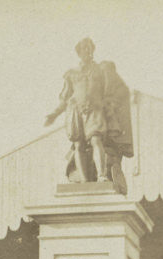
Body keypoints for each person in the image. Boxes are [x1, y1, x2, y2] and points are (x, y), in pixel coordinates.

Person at [44, 37, 133, 193]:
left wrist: (109, 106)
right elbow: (65, 99)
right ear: (79, 52)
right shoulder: (71, 74)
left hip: (95, 109)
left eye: (90, 47)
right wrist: (54, 114)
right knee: (78, 145)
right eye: (84, 48)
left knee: (96, 139)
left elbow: (113, 91)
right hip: (74, 110)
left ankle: (102, 176)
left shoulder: (102, 69)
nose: (87, 50)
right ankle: (84, 181)